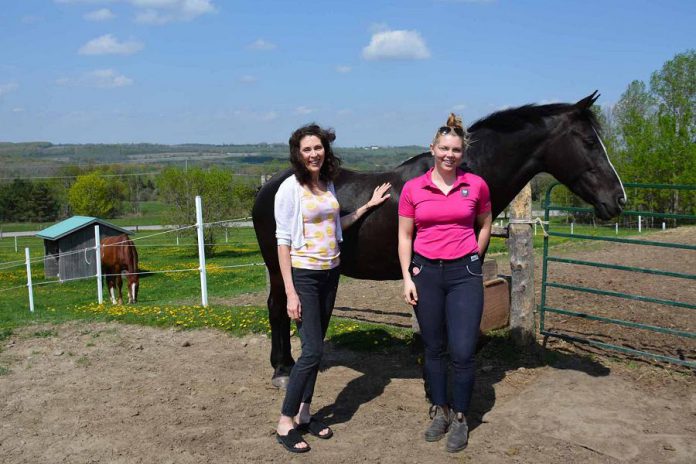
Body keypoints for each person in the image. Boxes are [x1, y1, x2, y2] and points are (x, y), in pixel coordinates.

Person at [274, 123, 391, 453]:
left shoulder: (326, 185)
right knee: (312, 351)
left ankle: (305, 414)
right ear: (298, 154)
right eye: (306, 149)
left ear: (326, 150)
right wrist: (290, 292)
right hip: (305, 277)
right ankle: (285, 421)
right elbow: (283, 242)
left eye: (318, 147)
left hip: (330, 274)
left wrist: (367, 207)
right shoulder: (290, 189)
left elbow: (335, 225)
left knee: (317, 345)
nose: (313, 154)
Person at [397, 113, 492, 453]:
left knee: (464, 351)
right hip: (426, 275)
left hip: (463, 275)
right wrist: (408, 276)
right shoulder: (413, 188)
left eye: (455, 150)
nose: (449, 155)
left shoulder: (476, 185)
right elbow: (405, 236)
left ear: (462, 153)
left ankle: (462, 416)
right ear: (432, 149)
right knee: (434, 348)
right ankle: (441, 408)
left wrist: (472, 258)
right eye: (443, 148)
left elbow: (484, 223)